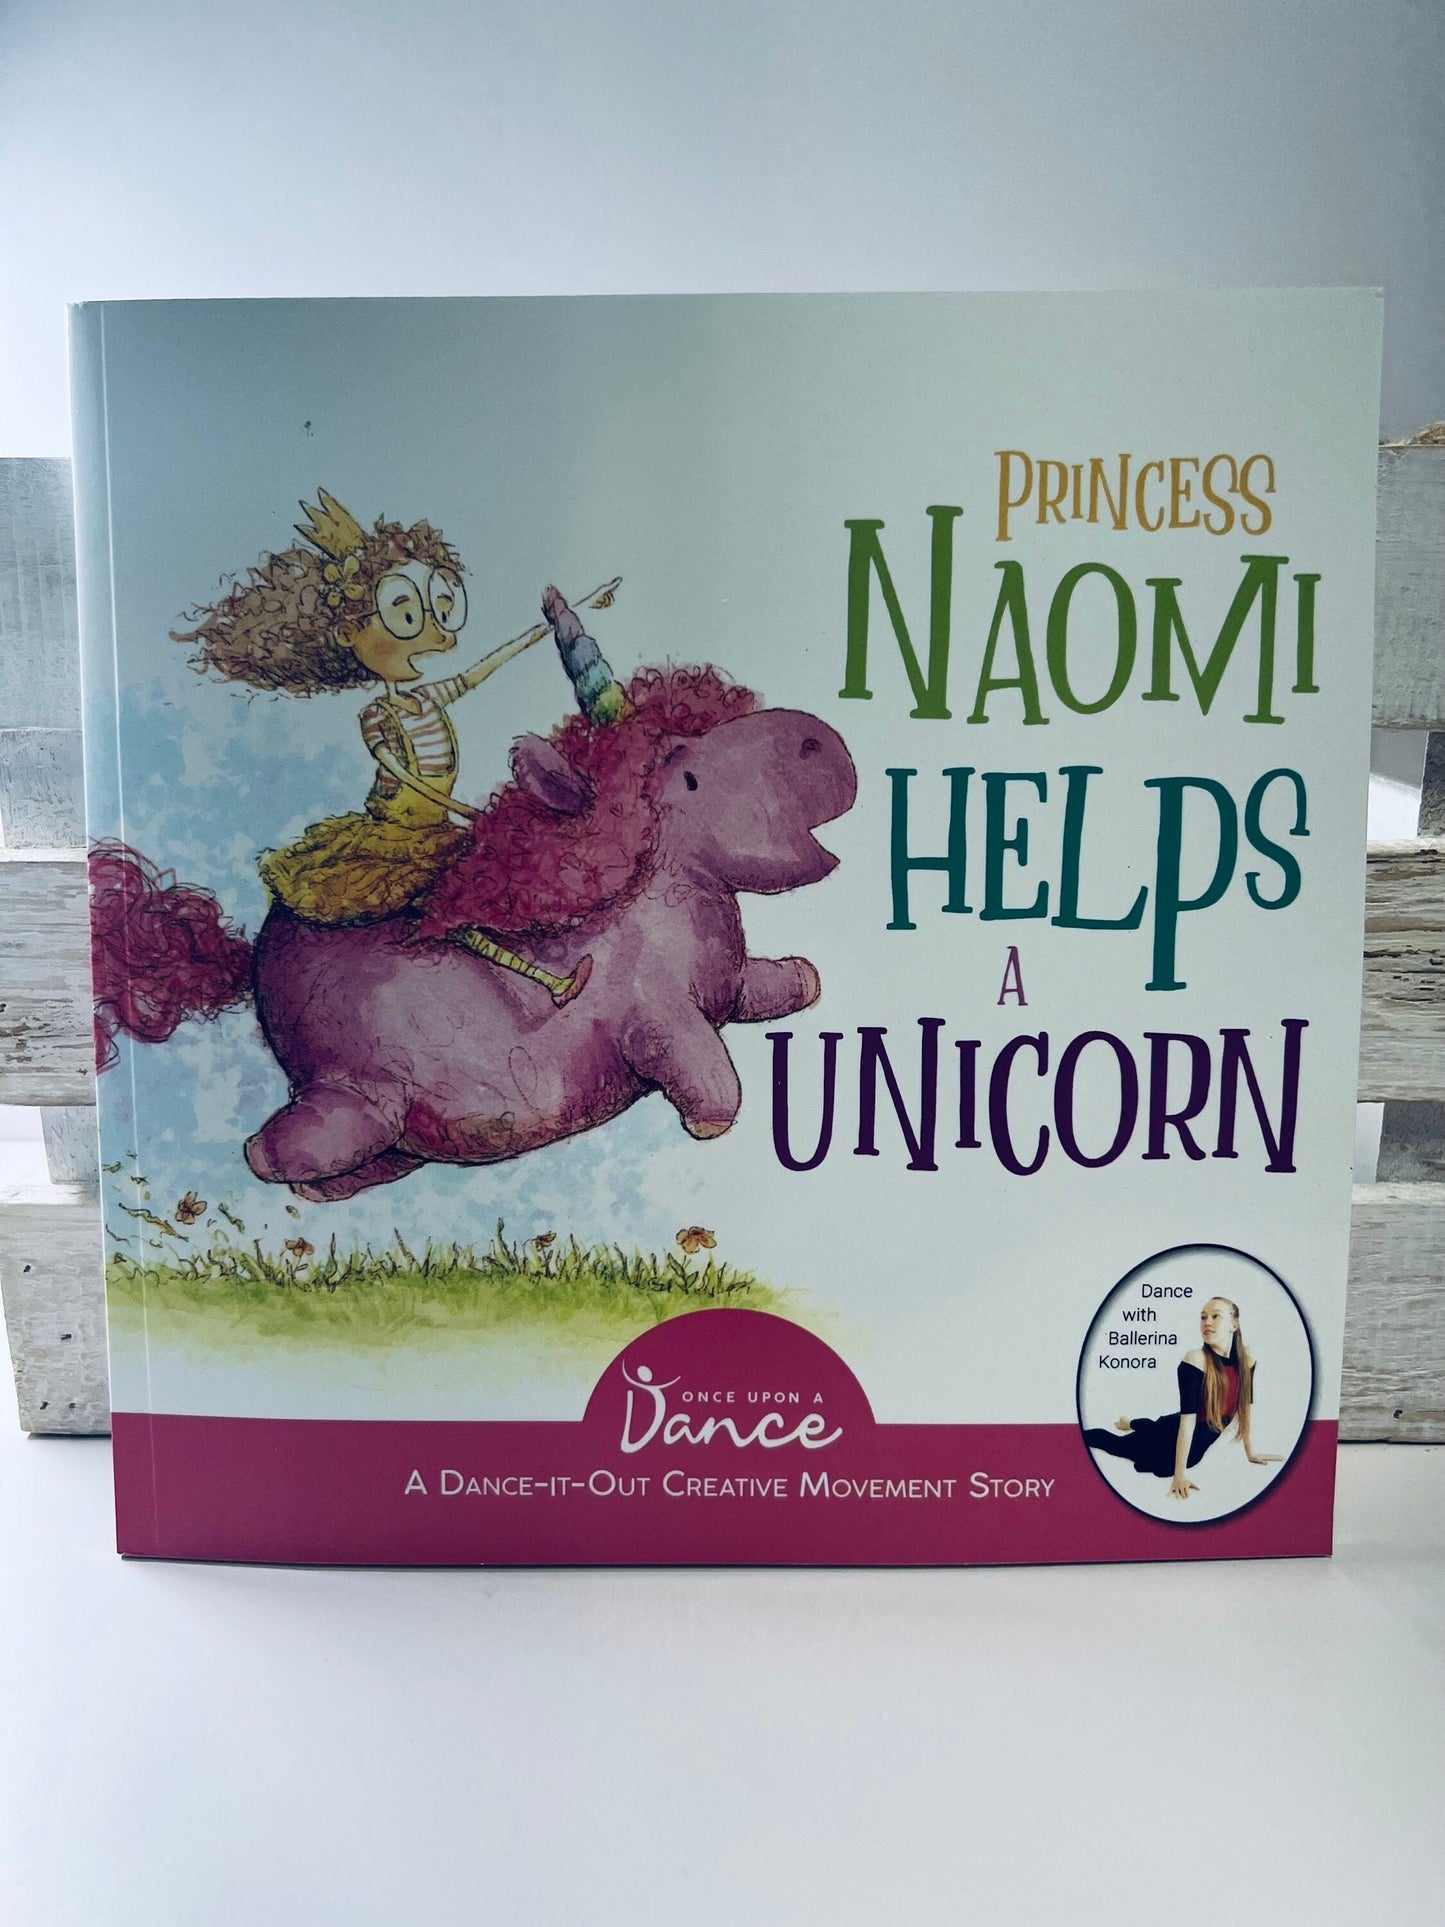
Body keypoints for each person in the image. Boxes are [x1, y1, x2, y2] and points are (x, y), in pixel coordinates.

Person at [172, 490, 626, 1004]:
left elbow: (483, 669)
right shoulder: (377, 716)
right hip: (397, 837)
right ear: (351, 633)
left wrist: (555, 623)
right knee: (453, 912)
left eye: (439, 606)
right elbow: (404, 775)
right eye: (405, 614)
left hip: (438, 828)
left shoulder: (429, 696)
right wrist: (463, 809)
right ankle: (548, 983)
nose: (433, 629)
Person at [1084, 1295, 1281, 1501]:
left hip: (1195, 1447)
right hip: (1173, 1431)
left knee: (1168, 1462)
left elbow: (1245, 1406)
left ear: (1234, 1324)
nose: (1207, 1322)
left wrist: (1251, 1453)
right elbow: (1187, 1421)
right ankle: (1094, 1433)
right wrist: (1179, 1476)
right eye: (1203, 1317)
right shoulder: (1195, 1359)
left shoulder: (1248, 1359)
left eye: (1216, 1316)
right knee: (1117, 1445)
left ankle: (1130, 1423)